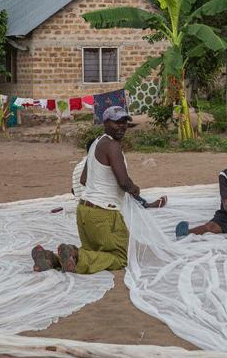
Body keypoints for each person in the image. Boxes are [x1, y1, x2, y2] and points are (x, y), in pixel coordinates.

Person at [32, 106, 144, 273]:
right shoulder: (113, 146)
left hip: (85, 211)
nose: (121, 126)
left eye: (124, 122)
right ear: (105, 122)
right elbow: (124, 182)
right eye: (117, 122)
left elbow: (83, 180)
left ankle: (51, 259)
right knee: (121, 258)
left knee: (95, 253)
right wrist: (135, 189)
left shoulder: (96, 144)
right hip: (103, 214)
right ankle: (75, 254)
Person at [71, 138, 167, 208]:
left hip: (80, 206)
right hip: (100, 206)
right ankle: (144, 204)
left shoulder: (79, 166)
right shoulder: (99, 162)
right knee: (124, 185)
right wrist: (133, 189)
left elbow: (79, 184)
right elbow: (123, 183)